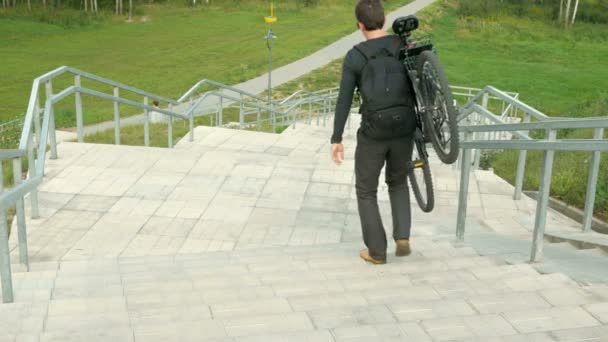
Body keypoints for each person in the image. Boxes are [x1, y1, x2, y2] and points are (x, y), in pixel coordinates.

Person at [331, 0, 416, 265]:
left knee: (366, 190)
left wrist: (336, 139)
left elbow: (344, 99)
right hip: (405, 125)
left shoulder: (355, 56)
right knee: (398, 181)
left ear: (359, 25)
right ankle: (402, 236)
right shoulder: (402, 45)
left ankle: (377, 252)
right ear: (385, 19)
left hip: (373, 130)